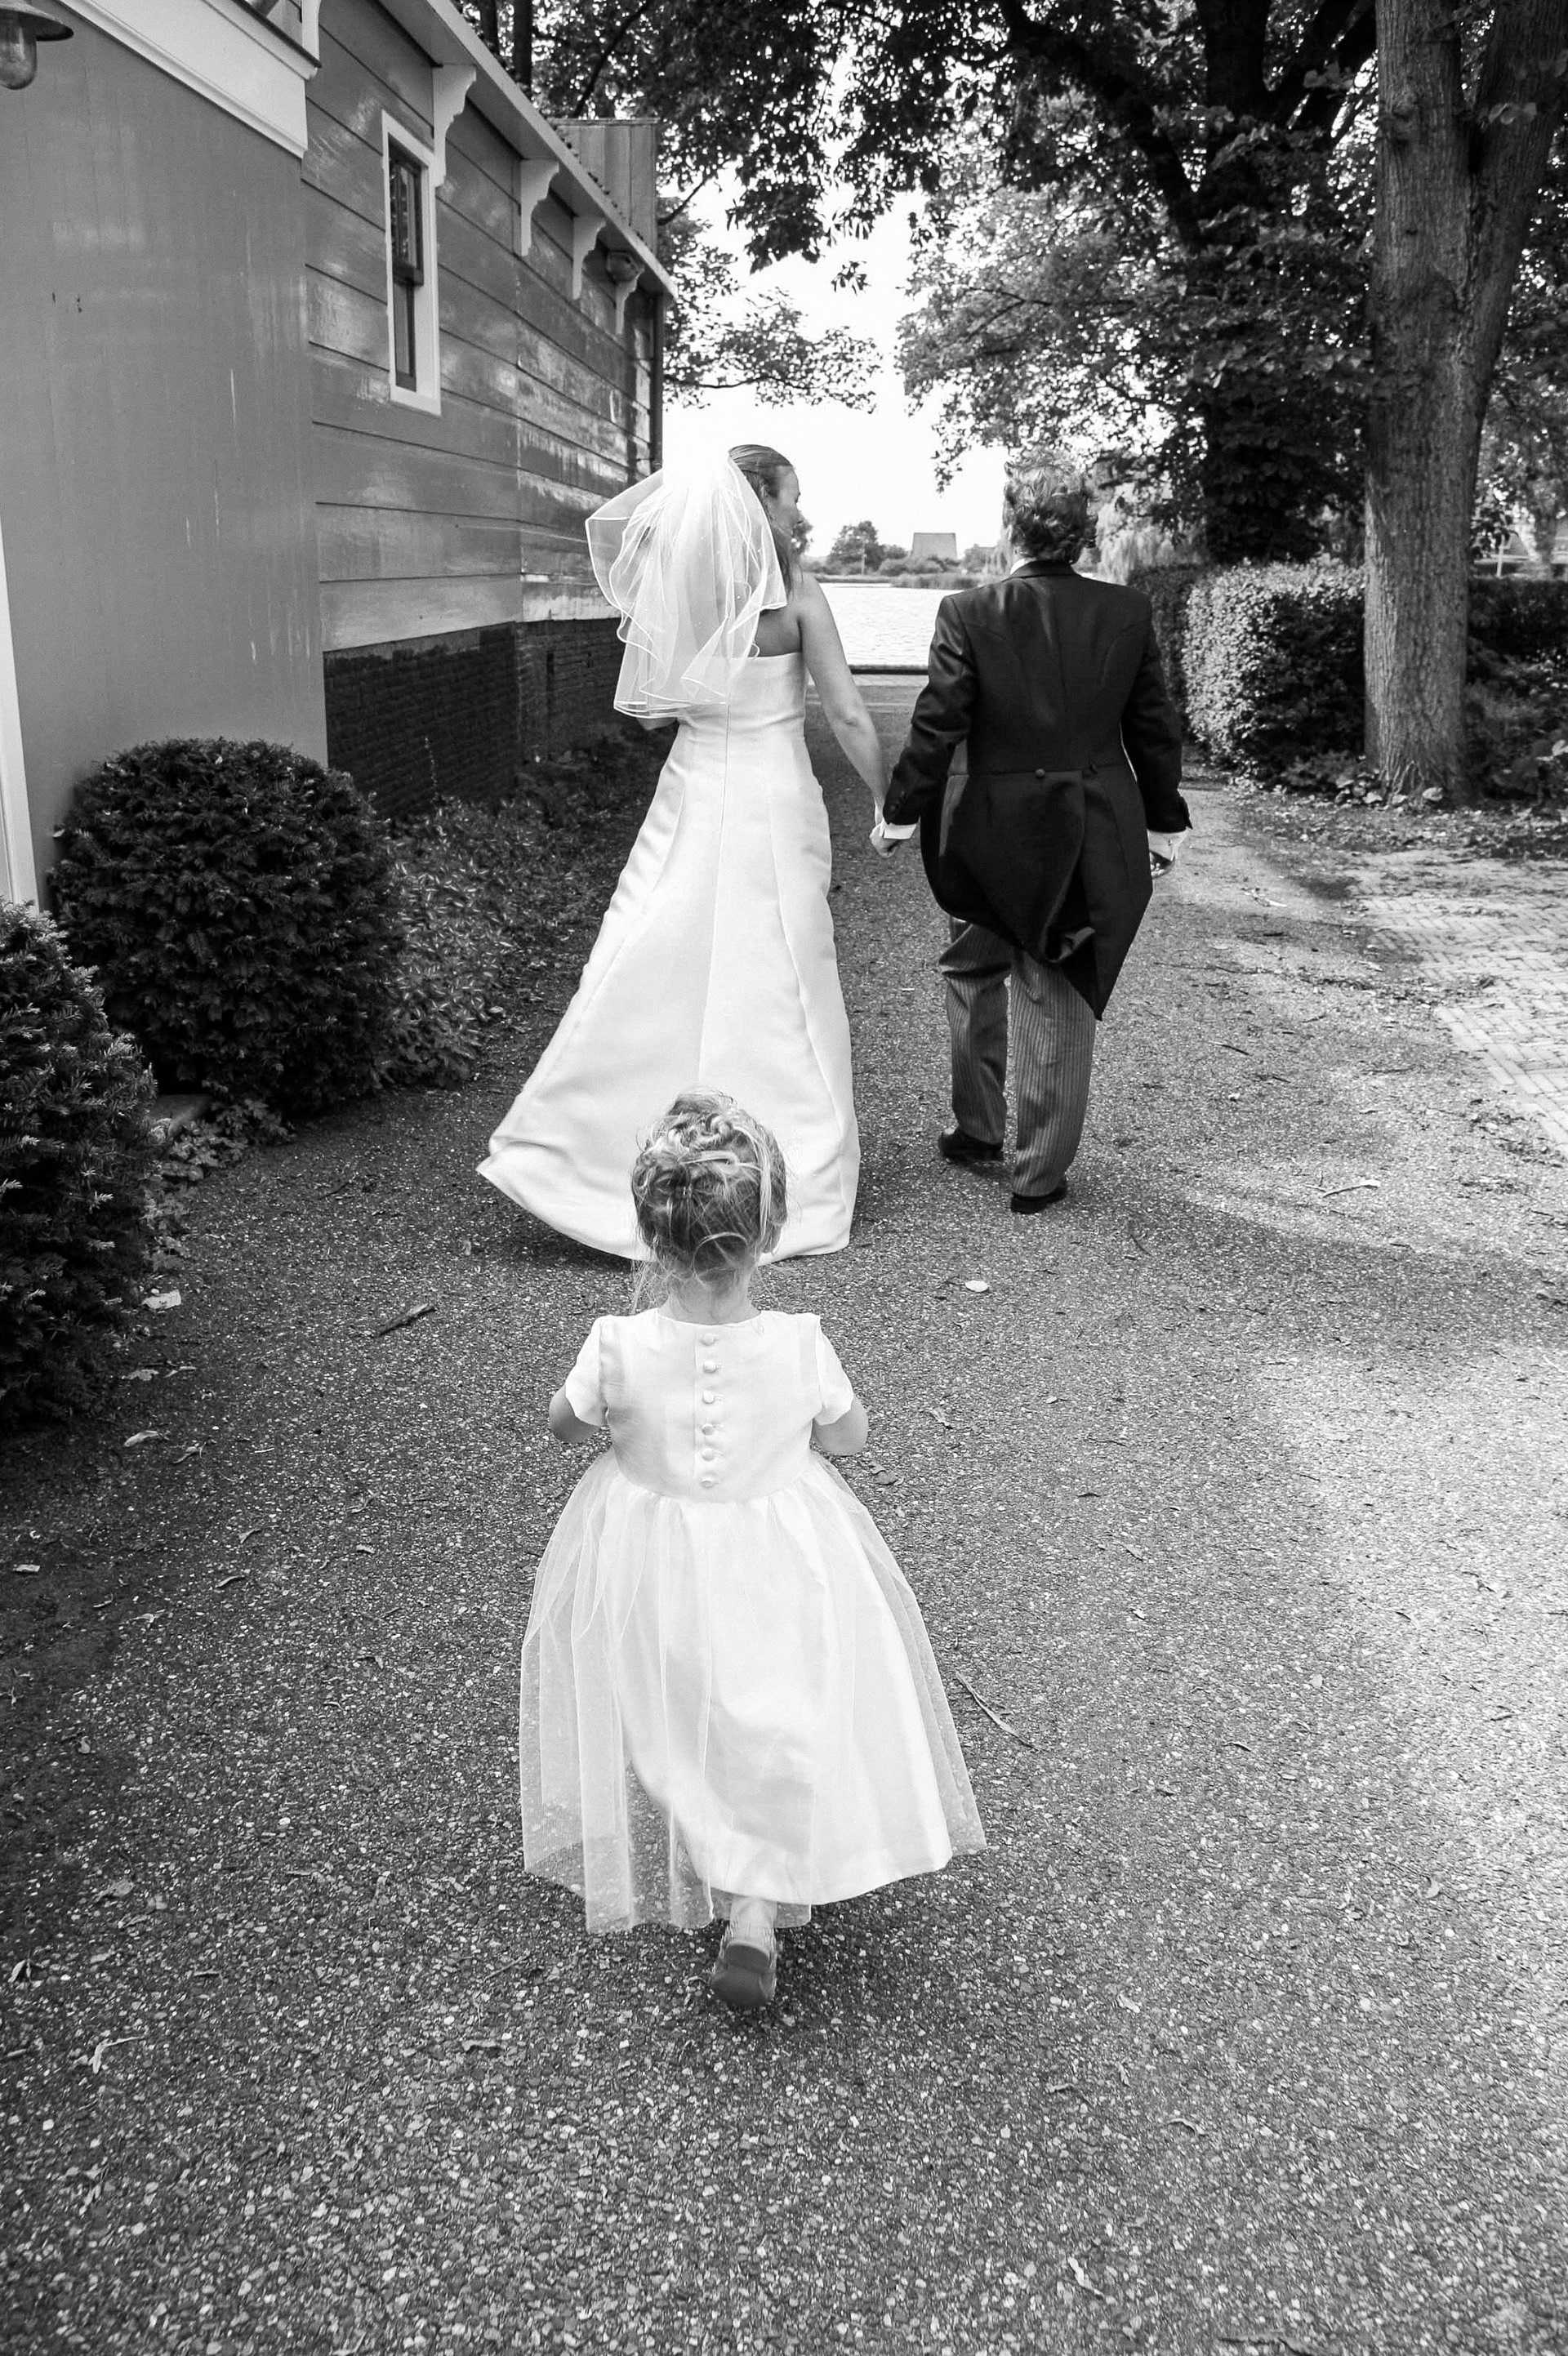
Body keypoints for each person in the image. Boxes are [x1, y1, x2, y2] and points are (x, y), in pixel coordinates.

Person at [518, 1089, 984, 2011]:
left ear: (652, 1236)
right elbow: (849, 1437)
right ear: (766, 1236)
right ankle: (757, 1906)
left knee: (678, 1719)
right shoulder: (800, 1345)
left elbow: (564, 1425)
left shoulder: (616, 1345)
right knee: (774, 1712)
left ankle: (731, 1871)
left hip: (651, 1565)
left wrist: (606, 1411)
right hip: (779, 1560)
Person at [479, 445, 889, 1261]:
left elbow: (652, 712)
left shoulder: (688, 588)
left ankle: (573, 1158)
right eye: (791, 497)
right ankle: (789, 1176)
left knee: (647, 956)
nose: (799, 512)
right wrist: (886, 797)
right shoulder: (798, 593)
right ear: (759, 500)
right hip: (773, 796)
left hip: (694, 791)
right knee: (784, 974)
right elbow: (845, 712)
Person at [878, 453, 1190, 1212]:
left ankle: (977, 1126)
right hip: (1088, 832)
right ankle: (1038, 1174)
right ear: (1083, 533)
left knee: (971, 966)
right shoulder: (1125, 611)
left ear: (1011, 524)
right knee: (1058, 984)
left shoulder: (968, 611)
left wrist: (901, 811)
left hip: (985, 835)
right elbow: (1152, 728)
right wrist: (1164, 820)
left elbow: (938, 723)